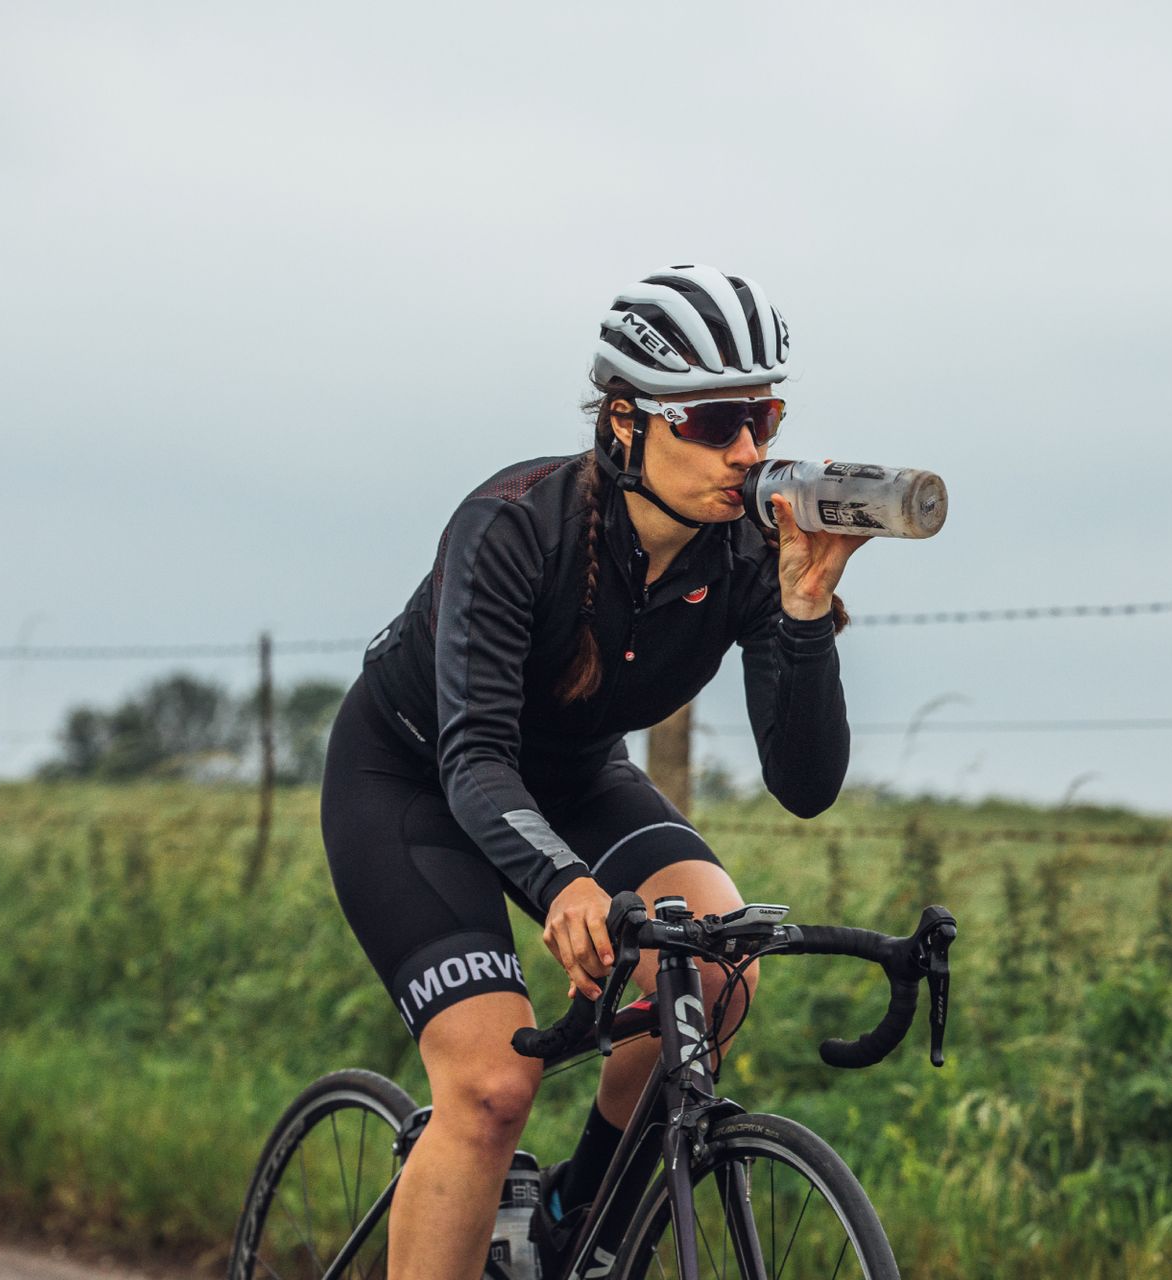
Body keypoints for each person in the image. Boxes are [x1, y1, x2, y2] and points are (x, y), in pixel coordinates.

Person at [320, 263, 865, 1278]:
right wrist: (565, 883)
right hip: (414, 777)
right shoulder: (513, 524)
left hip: (571, 772)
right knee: (488, 1087)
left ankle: (581, 1220)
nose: (749, 451)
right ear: (625, 421)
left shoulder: (747, 549)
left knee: (713, 967)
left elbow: (804, 783)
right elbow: (474, 755)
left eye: (764, 414)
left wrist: (802, 612)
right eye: (713, 422)